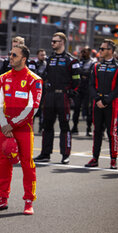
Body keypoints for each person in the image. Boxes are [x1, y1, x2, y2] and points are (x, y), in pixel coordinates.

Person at [0, 44, 42, 215]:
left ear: (23, 59)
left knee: (27, 164)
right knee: (4, 163)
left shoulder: (34, 79)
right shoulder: (3, 77)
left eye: (14, 55)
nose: (10, 57)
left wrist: (13, 124)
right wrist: (4, 124)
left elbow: (33, 107)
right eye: (10, 54)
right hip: (6, 128)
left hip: (23, 128)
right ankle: (2, 198)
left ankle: (28, 200)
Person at [34, 32, 80, 164]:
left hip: (63, 96)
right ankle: (45, 154)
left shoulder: (71, 60)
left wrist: (70, 93)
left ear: (62, 42)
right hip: (49, 96)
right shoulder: (49, 59)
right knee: (46, 125)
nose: (52, 43)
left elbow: (77, 81)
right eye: (52, 41)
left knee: (64, 126)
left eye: (55, 41)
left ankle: (65, 154)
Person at [85, 39, 118, 169]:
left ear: (110, 51)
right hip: (97, 104)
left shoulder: (117, 67)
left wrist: (106, 100)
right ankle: (95, 158)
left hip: (112, 104)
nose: (100, 51)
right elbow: (91, 85)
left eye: (103, 49)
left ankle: (113, 159)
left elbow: (117, 89)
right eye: (100, 48)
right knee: (97, 131)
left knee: (112, 132)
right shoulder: (96, 66)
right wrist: (97, 99)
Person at [71, 47, 95, 136]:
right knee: (76, 109)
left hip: (88, 89)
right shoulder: (78, 62)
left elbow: (90, 73)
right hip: (79, 89)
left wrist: (82, 73)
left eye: (84, 52)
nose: (82, 53)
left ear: (89, 52)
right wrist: (82, 73)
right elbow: (75, 72)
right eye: (81, 52)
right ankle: (74, 127)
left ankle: (88, 128)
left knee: (88, 109)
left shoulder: (92, 62)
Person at [34, 49, 47, 133]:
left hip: (44, 90)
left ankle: (41, 127)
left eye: (44, 55)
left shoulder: (47, 65)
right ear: (37, 56)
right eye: (41, 55)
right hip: (34, 90)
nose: (43, 56)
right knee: (33, 109)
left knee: (43, 110)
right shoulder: (33, 64)